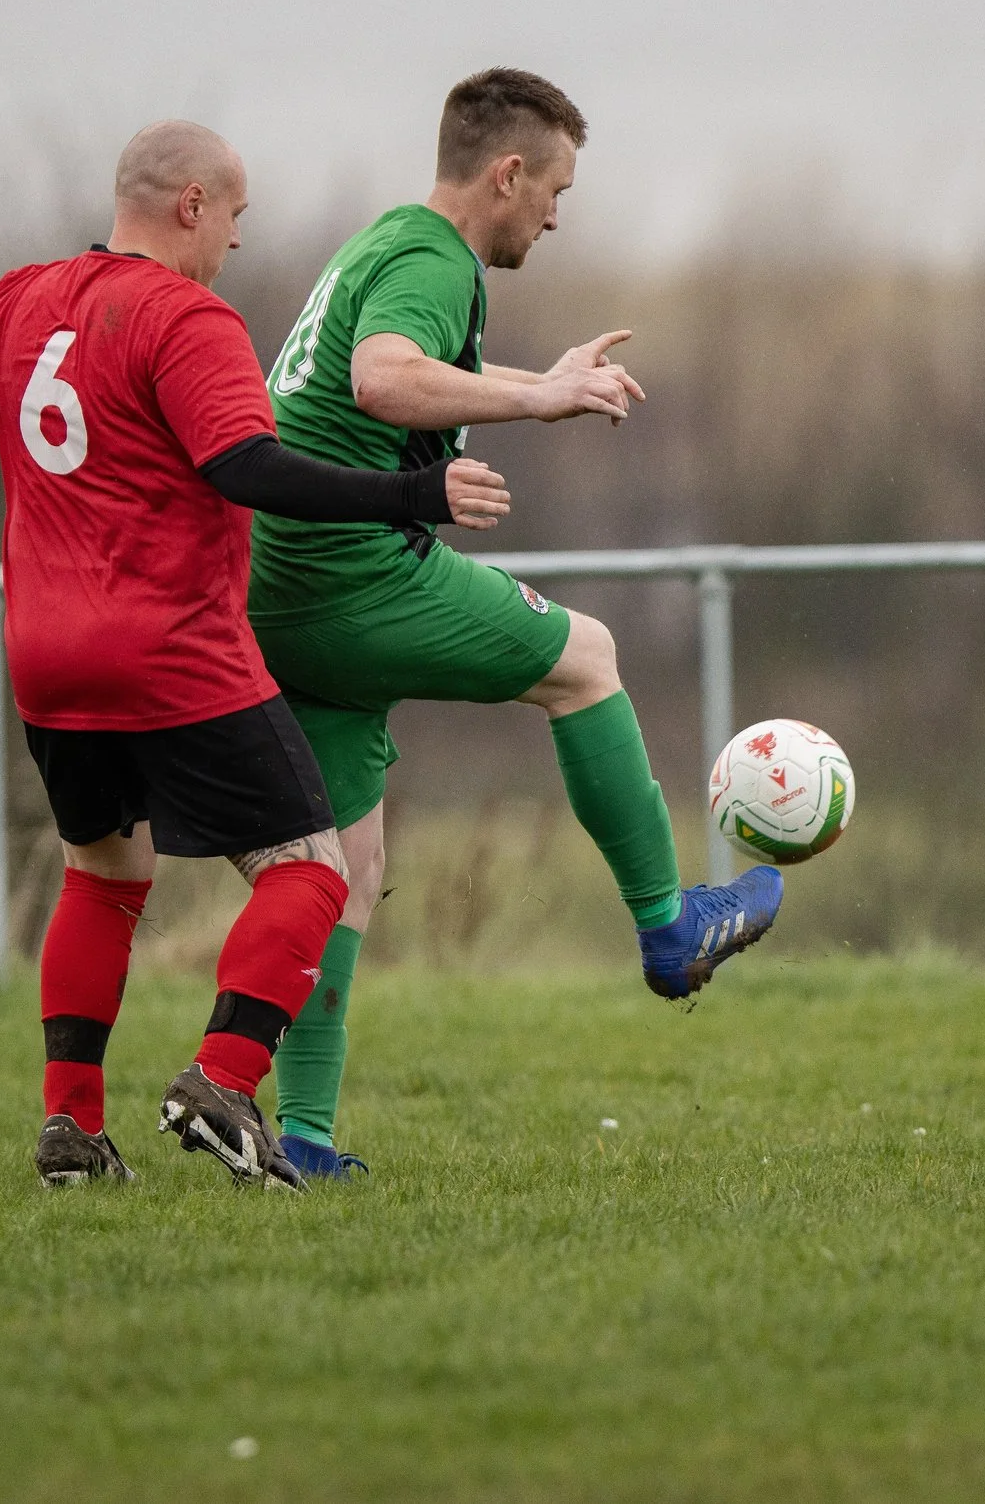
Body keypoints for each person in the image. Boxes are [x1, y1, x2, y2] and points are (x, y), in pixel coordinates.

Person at [0, 119, 512, 1190]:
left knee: (103, 876)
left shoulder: (16, 299)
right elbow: (249, 467)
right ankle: (221, 1078)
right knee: (312, 871)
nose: (235, 243)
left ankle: (71, 1128)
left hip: (46, 658)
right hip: (170, 652)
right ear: (190, 207)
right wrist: (415, 492)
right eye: (236, 219)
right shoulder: (186, 316)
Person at [247, 68, 784, 1179]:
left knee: (345, 861)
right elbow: (384, 377)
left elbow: (389, 375)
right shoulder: (433, 262)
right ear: (505, 174)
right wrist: (538, 400)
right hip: (349, 575)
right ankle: (668, 930)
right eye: (554, 188)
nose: (557, 213)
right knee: (585, 659)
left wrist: (543, 377)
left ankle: (300, 1140)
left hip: (274, 586)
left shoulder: (385, 243)